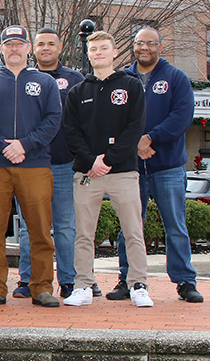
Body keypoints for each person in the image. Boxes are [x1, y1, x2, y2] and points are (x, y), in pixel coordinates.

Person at [0, 25, 62, 308]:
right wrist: (3, 146)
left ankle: (42, 286)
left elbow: (52, 120)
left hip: (34, 165)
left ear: (27, 49)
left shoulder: (45, 83)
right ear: (1, 48)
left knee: (39, 230)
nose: (14, 49)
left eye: (19, 44)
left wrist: (24, 145)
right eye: (9, 44)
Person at [112, 27, 203, 303]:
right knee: (129, 226)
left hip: (168, 167)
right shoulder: (122, 79)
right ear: (133, 46)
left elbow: (182, 116)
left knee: (175, 225)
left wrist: (151, 138)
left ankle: (185, 280)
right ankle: (128, 280)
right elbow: (113, 119)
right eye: (140, 43)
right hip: (131, 168)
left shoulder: (175, 78)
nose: (145, 48)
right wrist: (133, 144)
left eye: (151, 43)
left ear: (159, 47)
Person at [62, 31, 153, 307]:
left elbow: (134, 128)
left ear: (114, 53)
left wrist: (109, 160)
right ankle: (84, 285)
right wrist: (92, 162)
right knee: (83, 234)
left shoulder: (131, 86)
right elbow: (71, 132)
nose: (98, 53)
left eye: (104, 48)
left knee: (133, 230)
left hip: (123, 171)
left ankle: (138, 284)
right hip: (87, 174)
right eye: (93, 49)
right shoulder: (78, 91)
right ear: (88, 54)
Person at [14, 28, 88, 299]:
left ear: (60, 47)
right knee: (29, 226)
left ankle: (68, 280)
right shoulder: (22, 78)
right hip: (31, 165)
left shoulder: (75, 79)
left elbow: (84, 121)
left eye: (51, 44)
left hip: (63, 164)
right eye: (41, 44)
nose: (46, 48)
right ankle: (26, 279)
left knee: (66, 226)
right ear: (33, 49)